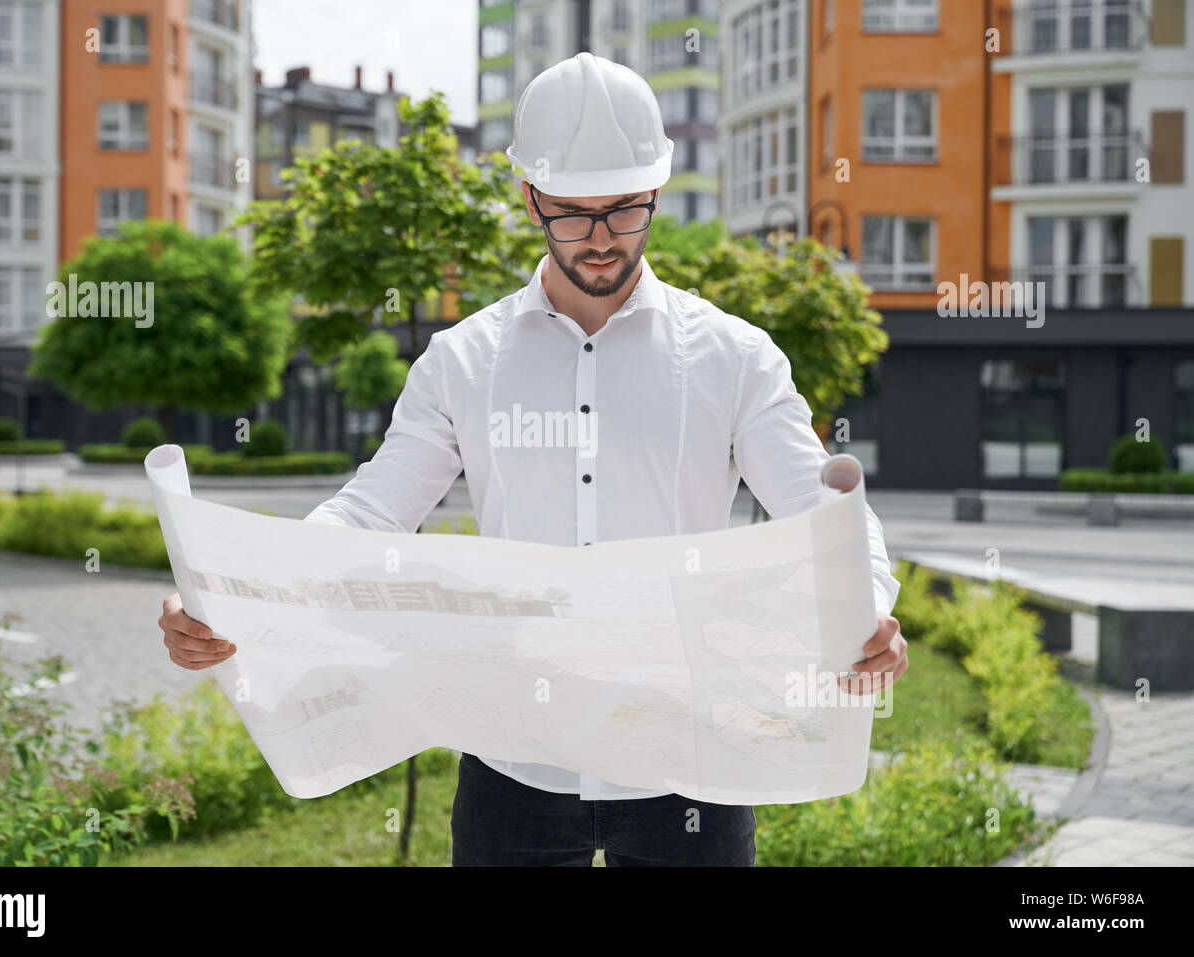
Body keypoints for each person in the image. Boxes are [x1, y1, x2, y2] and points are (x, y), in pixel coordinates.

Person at [158, 51, 908, 867]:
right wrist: (231, 594)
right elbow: (369, 513)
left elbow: (822, 511)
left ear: (655, 193)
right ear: (529, 199)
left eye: (623, 211)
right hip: (512, 764)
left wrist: (865, 607)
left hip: (689, 763)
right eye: (572, 212)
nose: (599, 238)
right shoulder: (462, 360)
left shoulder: (733, 358)